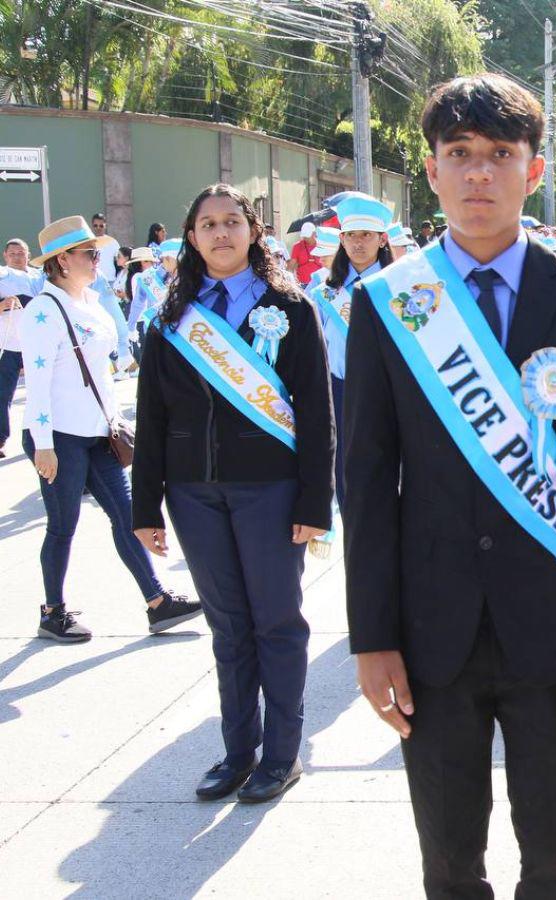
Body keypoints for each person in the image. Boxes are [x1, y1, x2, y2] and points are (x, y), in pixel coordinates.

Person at [344, 74, 556, 899]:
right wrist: (372, 637)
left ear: (532, 172)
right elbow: (364, 481)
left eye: (500, 156)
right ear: (430, 172)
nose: (478, 175)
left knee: (553, 860)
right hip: (429, 637)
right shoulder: (388, 305)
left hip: (555, 634)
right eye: (459, 155)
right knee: (448, 864)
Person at [132, 183, 334, 802]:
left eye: (231, 222)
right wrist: (145, 508)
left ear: (253, 231)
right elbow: (153, 419)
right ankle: (237, 752)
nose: (220, 233)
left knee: (277, 622)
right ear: (190, 238)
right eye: (207, 224)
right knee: (228, 627)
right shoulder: (170, 318)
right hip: (193, 494)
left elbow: (317, 411)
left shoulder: (292, 308)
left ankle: (281, 755)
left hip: (271, 490)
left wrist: (313, 501)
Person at [17, 217, 197, 642]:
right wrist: (43, 446)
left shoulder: (91, 304)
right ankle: (52, 612)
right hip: (58, 435)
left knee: (127, 516)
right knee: (64, 524)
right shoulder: (44, 310)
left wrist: (115, 420)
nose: (99, 261)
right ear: (62, 260)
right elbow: (37, 386)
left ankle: (158, 601)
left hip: (97, 432)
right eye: (90, 254)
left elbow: (101, 372)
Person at [315, 193, 392, 510]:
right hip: (338, 393)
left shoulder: (399, 289)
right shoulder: (322, 291)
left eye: (366, 235)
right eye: (350, 235)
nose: (358, 243)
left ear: (382, 239)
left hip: (386, 395)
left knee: (385, 481)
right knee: (344, 482)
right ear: (341, 240)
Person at [1, 239, 45, 458]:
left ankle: (42, 437)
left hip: (36, 346)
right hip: (8, 345)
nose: (17, 257)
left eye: (21, 253)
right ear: (5, 256)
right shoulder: (2, 277)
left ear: (29, 255)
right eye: (13, 254)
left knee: (41, 392)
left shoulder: (39, 277)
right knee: (3, 394)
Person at [288, 221, 324, 286]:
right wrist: (290, 281)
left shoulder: (322, 245)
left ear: (314, 233)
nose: (305, 238)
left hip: (320, 284)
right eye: (304, 236)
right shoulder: (297, 246)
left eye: (307, 235)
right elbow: (290, 267)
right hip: (302, 285)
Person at [90, 213, 120, 285]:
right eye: (95, 225)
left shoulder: (112, 242)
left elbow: (119, 262)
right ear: (92, 226)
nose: (98, 228)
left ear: (105, 226)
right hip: (92, 280)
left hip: (109, 280)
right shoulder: (87, 242)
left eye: (101, 226)